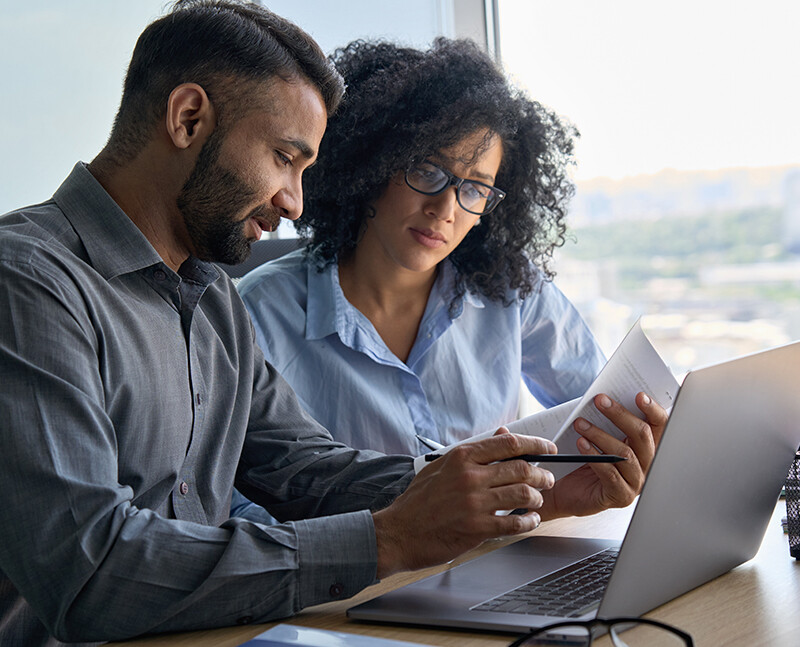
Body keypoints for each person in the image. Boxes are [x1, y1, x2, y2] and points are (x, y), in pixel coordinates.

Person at [0, 3, 666, 646]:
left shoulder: (211, 300)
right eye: (285, 159)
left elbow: (304, 471)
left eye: (305, 170)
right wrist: (386, 541)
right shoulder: (27, 282)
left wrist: (520, 491)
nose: (294, 203)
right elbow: (87, 571)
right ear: (188, 117)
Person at [237, 37, 665, 516]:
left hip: (505, 556)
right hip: (357, 584)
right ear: (372, 165)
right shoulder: (259, 312)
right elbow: (237, 511)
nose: (444, 209)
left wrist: (636, 449)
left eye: (476, 189)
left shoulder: (512, 291)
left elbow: (600, 411)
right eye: (427, 170)